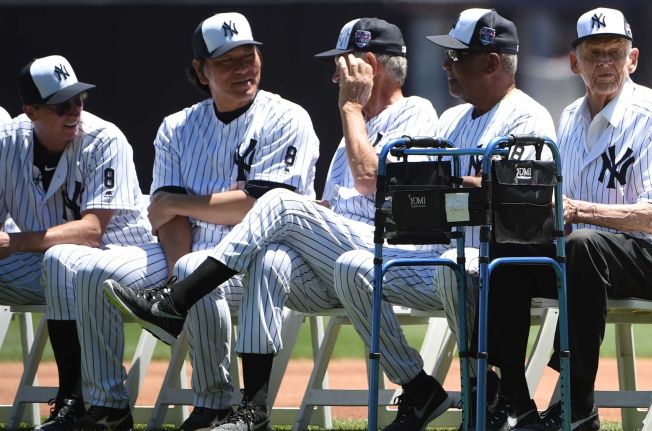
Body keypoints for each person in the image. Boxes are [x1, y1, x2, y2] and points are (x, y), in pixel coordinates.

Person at [101, 17, 439, 431]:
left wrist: (350, 108)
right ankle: (254, 409)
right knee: (270, 258)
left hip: (392, 253)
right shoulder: (357, 128)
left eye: (342, 65)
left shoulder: (415, 112)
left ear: (368, 64)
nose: (335, 76)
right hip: (341, 259)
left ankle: (175, 301)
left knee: (281, 201)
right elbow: (337, 204)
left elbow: (370, 182)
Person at [72, 12, 319, 431]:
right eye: (227, 61)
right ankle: (108, 408)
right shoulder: (177, 126)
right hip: (188, 257)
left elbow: (258, 206)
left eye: (249, 55)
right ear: (200, 70)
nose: (243, 68)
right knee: (89, 270)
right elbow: (164, 215)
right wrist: (174, 271)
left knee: (194, 266)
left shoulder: (286, 117)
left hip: (268, 263)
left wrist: (180, 206)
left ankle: (214, 403)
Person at [332, 8, 556, 431]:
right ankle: (417, 386)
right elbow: (423, 192)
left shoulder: (530, 118)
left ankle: (486, 393)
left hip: (494, 265)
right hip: (440, 254)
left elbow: (518, 204)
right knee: (353, 267)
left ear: (491, 63)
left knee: (455, 268)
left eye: (458, 57)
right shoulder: (451, 119)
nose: (446, 65)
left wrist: (449, 191)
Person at [483, 7, 652, 431]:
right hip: (590, 261)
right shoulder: (568, 118)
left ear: (632, 60)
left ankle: (577, 407)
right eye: (595, 52)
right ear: (573, 62)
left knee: (583, 243)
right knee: (504, 251)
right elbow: (558, 206)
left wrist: (578, 211)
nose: (605, 63)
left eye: (615, 53)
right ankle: (514, 400)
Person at [0, 55, 152, 431]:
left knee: (61, 259)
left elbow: (92, 231)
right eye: (60, 105)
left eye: (78, 100)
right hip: (44, 258)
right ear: (31, 111)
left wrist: (15, 242)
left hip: (126, 254)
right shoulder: (6, 143)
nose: (74, 111)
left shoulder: (104, 139)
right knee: (56, 260)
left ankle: (74, 399)